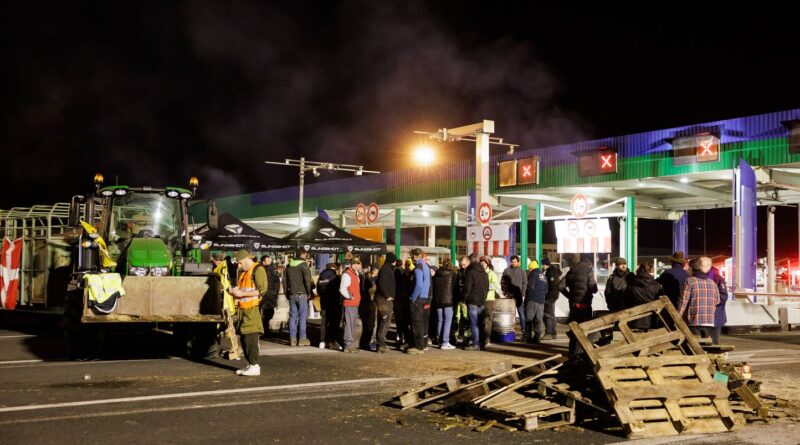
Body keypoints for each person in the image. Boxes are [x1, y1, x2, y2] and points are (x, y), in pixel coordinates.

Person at [230, 249, 266, 376]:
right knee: (245, 339)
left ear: (246, 259)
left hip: (252, 310)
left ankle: (254, 365)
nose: (238, 265)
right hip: (244, 310)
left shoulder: (258, 270)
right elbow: (244, 288)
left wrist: (241, 293)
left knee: (250, 338)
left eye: (239, 263)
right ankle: (251, 364)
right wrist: (235, 291)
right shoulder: (245, 272)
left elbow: (262, 291)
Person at [558, 256, 598, 358]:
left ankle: (572, 352)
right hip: (585, 304)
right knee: (585, 329)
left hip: (574, 305)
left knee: (574, 328)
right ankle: (580, 354)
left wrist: (569, 296)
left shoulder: (572, 271)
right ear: (590, 265)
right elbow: (594, 289)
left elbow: (560, 286)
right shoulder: (588, 271)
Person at [678, 257, 719, 343]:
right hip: (709, 322)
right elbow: (717, 301)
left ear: (691, 269)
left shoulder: (690, 281)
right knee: (705, 345)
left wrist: (677, 317)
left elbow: (683, 301)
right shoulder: (712, 283)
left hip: (694, 321)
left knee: (694, 345)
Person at [212, 253, 241, 360]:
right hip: (220, 301)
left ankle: (223, 349)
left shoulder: (223, 268)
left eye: (219, 260)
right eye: (216, 260)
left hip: (224, 301)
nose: (218, 262)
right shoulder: (218, 268)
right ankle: (218, 348)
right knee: (219, 327)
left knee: (225, 326)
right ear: (213, 260)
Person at [284, 251, 314, 346]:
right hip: (302, 294)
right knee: (302, 317)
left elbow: (284, 281)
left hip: (292, 294)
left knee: (293, 317)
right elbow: (307, 280)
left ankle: (292, 339)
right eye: (306, 255)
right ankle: (302, 338)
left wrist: (286, 293)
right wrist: (309, 292)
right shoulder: (303, 265)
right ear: (303, 255)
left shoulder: (288, 266)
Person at [463, 254, 489, 350]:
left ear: (470, 261)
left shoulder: (470, 272)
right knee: (480, 322)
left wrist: (464, 300)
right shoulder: (484, 273)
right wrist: (484, 297)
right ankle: (482, 343)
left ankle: (476, 344)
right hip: (481, 300)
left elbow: (467, 288)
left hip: (472, 300)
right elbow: (487, 287)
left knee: (474, 323)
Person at [627, 262, 663, 331]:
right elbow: (660, 302)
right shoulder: (657, 285)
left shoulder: (632, 284)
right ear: (650, 271)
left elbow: (627, 300)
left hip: (634, 318)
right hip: (651, 319)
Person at [407, 248, 431, 354]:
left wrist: (413, 297)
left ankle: (418, 347)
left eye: (412, 256)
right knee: (420, 322)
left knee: (416, 323)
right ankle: (421, 345)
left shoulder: (418, 267)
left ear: (415, 256)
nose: (411, 258)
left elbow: (419, 284)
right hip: (424, 297)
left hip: (418, 298)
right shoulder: (425, 266)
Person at [432, 257, 456, 350]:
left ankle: (440, 340)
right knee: (447, 321)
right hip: (448, 301)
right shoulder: (452, 274)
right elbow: (454, 287)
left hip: (438, 300)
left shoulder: (437, 274)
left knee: (440, 320)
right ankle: (445, 342)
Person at [316, 262, 342, 350]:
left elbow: (318, 290)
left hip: (323, 301)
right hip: (334, 302)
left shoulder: (321, 276)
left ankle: (322, 341)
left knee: (324, 322)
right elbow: (339, 290)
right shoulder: (335, 277)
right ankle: (332, 341)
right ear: (335, 268)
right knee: (333, 323)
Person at [501, 255, 527, 339]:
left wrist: (522, 293)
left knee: (522, 315)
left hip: (518, 296)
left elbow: (525, 283)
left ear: (518, 262)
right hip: (509, 297)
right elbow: (502, 282)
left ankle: (524, 332)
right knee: (510, 315)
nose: (513, 263)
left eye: (515, 262)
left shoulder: (522, 271)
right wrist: (505, 293)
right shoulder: (506, 270)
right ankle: (510, 331)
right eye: (512, 262)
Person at [339, 258, 362, 353]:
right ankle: (348, 344)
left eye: (358, 264)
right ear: (351, 264)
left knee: (352, 324)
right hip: (349, 303)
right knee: (349, 324)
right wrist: (350, 296)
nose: (356, 265)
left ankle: (350, 343)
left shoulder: (356, 274)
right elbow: (342, 289)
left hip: (355, 303)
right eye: (354, 264)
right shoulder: (347, 274)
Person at [374, 253, 396, 353]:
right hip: (384, 300)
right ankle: (381, 344)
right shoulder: (386, 269)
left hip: (383, 299)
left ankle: (380, 343)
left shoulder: (385, 268)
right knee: (385, 321)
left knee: (383, 321)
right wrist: (387, 296)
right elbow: (382, 283)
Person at [524, 259, 548, 343]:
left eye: (529, 268)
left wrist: (527, 299)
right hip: (541, 301)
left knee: (529, 319)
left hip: (533, 300)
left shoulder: (533, 274)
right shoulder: (543, 276)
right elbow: (546, 290)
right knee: (538, 320)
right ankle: (537, 337)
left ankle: (527, 337)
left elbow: (530, 287)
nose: (529, 270)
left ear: (531, 268)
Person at [705, 258, 728, 345]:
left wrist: (710, 303)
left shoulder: (717, 278)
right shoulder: (707, 276)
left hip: (716, 315)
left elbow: (723, 296)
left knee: (714, 341)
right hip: (710, 315)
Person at [481, 256, 500, 348]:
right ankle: (481, 339)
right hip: (480, 300)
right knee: (480, 320)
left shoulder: (492, 274)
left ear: (487, 264)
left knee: (487, 321)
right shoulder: (479, 273)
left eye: (484, 262)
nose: (482, 264)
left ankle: (486, 340)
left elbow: (495, 285)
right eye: (481, 262)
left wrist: (485, 286)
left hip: (489, 300)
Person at [259, 255, 281, 337]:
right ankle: (264, 329)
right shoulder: (261, 269)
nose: (269, 262)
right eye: (267, 260)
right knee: (266, 313)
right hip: (266, 295)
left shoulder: (270, 269)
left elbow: (277, 282)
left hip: (269, 295)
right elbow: (277, 282)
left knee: (267, 313)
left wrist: (274, 292)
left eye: (269, 260)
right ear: (263, 261)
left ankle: (264, 329)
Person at [359, 264, 378, 350]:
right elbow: (372, 292)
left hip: (363, 304)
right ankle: (365, 343)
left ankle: (364, 342)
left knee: (366, 324)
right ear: (374, 270)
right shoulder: (369, 280)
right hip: (369, 304)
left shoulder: (363, 278)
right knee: (369, 325)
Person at [542, 257, 561, 340]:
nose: (542, 266)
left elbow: (553, 286)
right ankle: (553, 333)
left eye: (543, 264)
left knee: (547, 315)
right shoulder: (550, 271)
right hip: (552, 295)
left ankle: (549, 333)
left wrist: (549, 297)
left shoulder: (551, 272)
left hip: (551, 296)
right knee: (551, 315)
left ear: (546, 264)